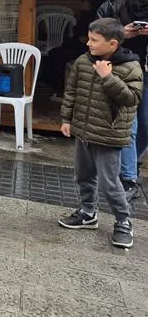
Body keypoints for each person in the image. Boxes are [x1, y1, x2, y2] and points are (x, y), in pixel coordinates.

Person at [58, 18, 141, 248]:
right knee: (83, 175)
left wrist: (108, 77)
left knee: (109, 182)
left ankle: (123, 222)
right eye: (89, 38)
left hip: (108, 135)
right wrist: (66, 119)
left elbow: (132, 98)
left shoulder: (130, 66)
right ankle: (87, 212)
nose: (88, 44)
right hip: (83, 131)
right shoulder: (83, 62)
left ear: (112, 43)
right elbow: (72, 91)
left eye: (94, 40)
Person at [97, 0, 148, 201]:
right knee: (131, 125)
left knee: (145, 123)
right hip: (122, 68)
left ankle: (130, 165)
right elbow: (96, 32)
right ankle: (128, 178)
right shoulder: (113, 2)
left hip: (146, 70)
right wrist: (121, 32)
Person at [42, 0, 107, 99]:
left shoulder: (98, 17)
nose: (83, 4)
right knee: (53, 53)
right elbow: (77, 32)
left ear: (92, 3)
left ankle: (60, 89)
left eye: (85, 1)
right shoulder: (85, 15)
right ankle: (54, 86)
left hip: (88, 50)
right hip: (77, 45)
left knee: (58, 56)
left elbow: (94, 37)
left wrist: (87, 38)